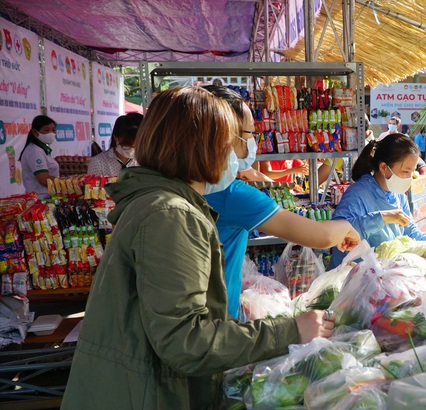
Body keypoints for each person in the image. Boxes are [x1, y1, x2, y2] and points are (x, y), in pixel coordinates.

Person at [62, 87, 334, 409]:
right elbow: (186, 340)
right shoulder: (170, 214)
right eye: (230, 142)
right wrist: (289, 331)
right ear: (202, 147)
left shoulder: (159, 203)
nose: (235, 154)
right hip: (145, 393)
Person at [202, 86, 360, 319]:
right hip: (218, 320)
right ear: (226, 136)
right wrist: (346, 228)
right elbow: (320, 236)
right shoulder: (230, 194)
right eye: (249, 134)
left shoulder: (183, 183)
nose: (253, 142)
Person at [328, 133, 426, 268]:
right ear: (384, 167)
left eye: (412, 172)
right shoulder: (357, 194)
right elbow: (337, 232)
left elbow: (410, 232)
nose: (409, 178)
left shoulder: (398, 195)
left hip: (381, 277)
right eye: (405, 171)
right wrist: (382, 217)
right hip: (350, 277)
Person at [19, 115, 59, 198]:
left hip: (47, 196)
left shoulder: (41, 149)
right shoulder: (35, 151)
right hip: (41, 198)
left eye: (53, 130)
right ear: (35, 132)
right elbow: (44, 179)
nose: (51, 133)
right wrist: (66, 182)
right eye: (47, 130)